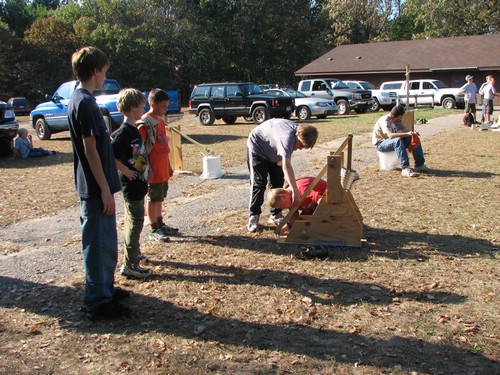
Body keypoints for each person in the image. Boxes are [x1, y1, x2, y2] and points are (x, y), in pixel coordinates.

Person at [67, 46, 130, 321]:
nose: (105, 76)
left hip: (99, 187)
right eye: (104, 71)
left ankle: (105, 289)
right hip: (95, 189)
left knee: (106, 242)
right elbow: (90, 150)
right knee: (96, 244)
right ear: (95, 71)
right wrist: (105, 190)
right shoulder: (85, 104)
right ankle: (97, 303)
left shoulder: (83, 100)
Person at [247, 118, 318, 232]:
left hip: (274, 148)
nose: (299, 148)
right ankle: (253, 217)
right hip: (258, 147)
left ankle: (275, 215)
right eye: (300, 144)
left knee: (278, 182)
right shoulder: (286, 139)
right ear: (296, 135)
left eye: (303, 147)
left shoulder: (302, 131)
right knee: (259, 183)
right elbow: (287, 166)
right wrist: (295, 192)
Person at [111, 88, 152, 279]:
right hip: (132, 186)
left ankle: (134, 253)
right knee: (135, 223)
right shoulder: (123, 133)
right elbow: (111, 156)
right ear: (133, 107)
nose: (144, 109)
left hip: (140, 184)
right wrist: (126, 171)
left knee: (137, 221)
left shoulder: (134, 129)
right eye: (142, 106)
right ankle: (129, 265)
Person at [139, 88, 177, 242]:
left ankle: (160, 223)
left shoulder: (160, 121)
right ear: (153, 104)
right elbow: (140, 150)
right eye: (163, 106)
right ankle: (153, 227)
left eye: (167, 106)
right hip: (152, 170)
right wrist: (147, 169)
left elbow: (164, 147)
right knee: (153, 199)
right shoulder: (145, 123)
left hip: (162, 169)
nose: (165, 110)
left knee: (160, 197)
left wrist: (168, 166)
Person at [372, 105, 430, 177]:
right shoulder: (386, 120)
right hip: (381, 143)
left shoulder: (397, 121)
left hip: (392, 142)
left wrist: (412, 133)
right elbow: (390, 135)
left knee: (414, 138)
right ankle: (405, 168)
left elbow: (406, 130)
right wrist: (406, 134)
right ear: (399, 116)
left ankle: (419, 165)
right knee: (398, 140)